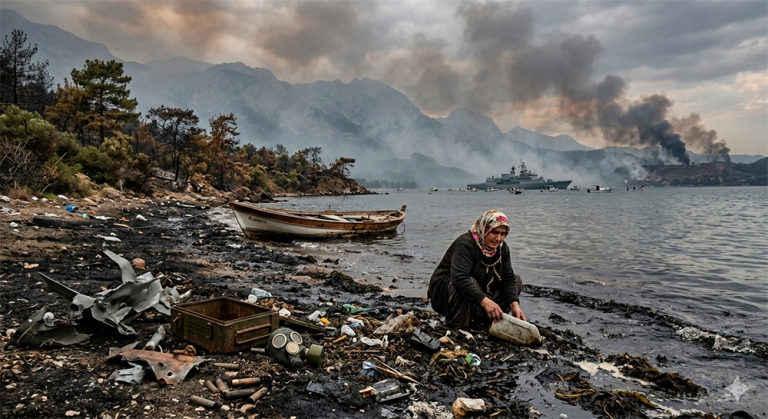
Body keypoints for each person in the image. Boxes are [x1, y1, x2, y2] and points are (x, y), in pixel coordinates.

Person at [427, 209, 526, 328]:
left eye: (502, 234)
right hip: (446, 292)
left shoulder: (502, 248)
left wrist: (514, 305)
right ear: (484, 229)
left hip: (480, 290)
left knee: (517, 281)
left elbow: (508, 278)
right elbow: (459, 278)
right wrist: (485, 301)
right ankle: (457, 325)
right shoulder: (465, 244)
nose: (498, 238)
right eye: (494, 232)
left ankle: (490, 319)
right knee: (467, 283)